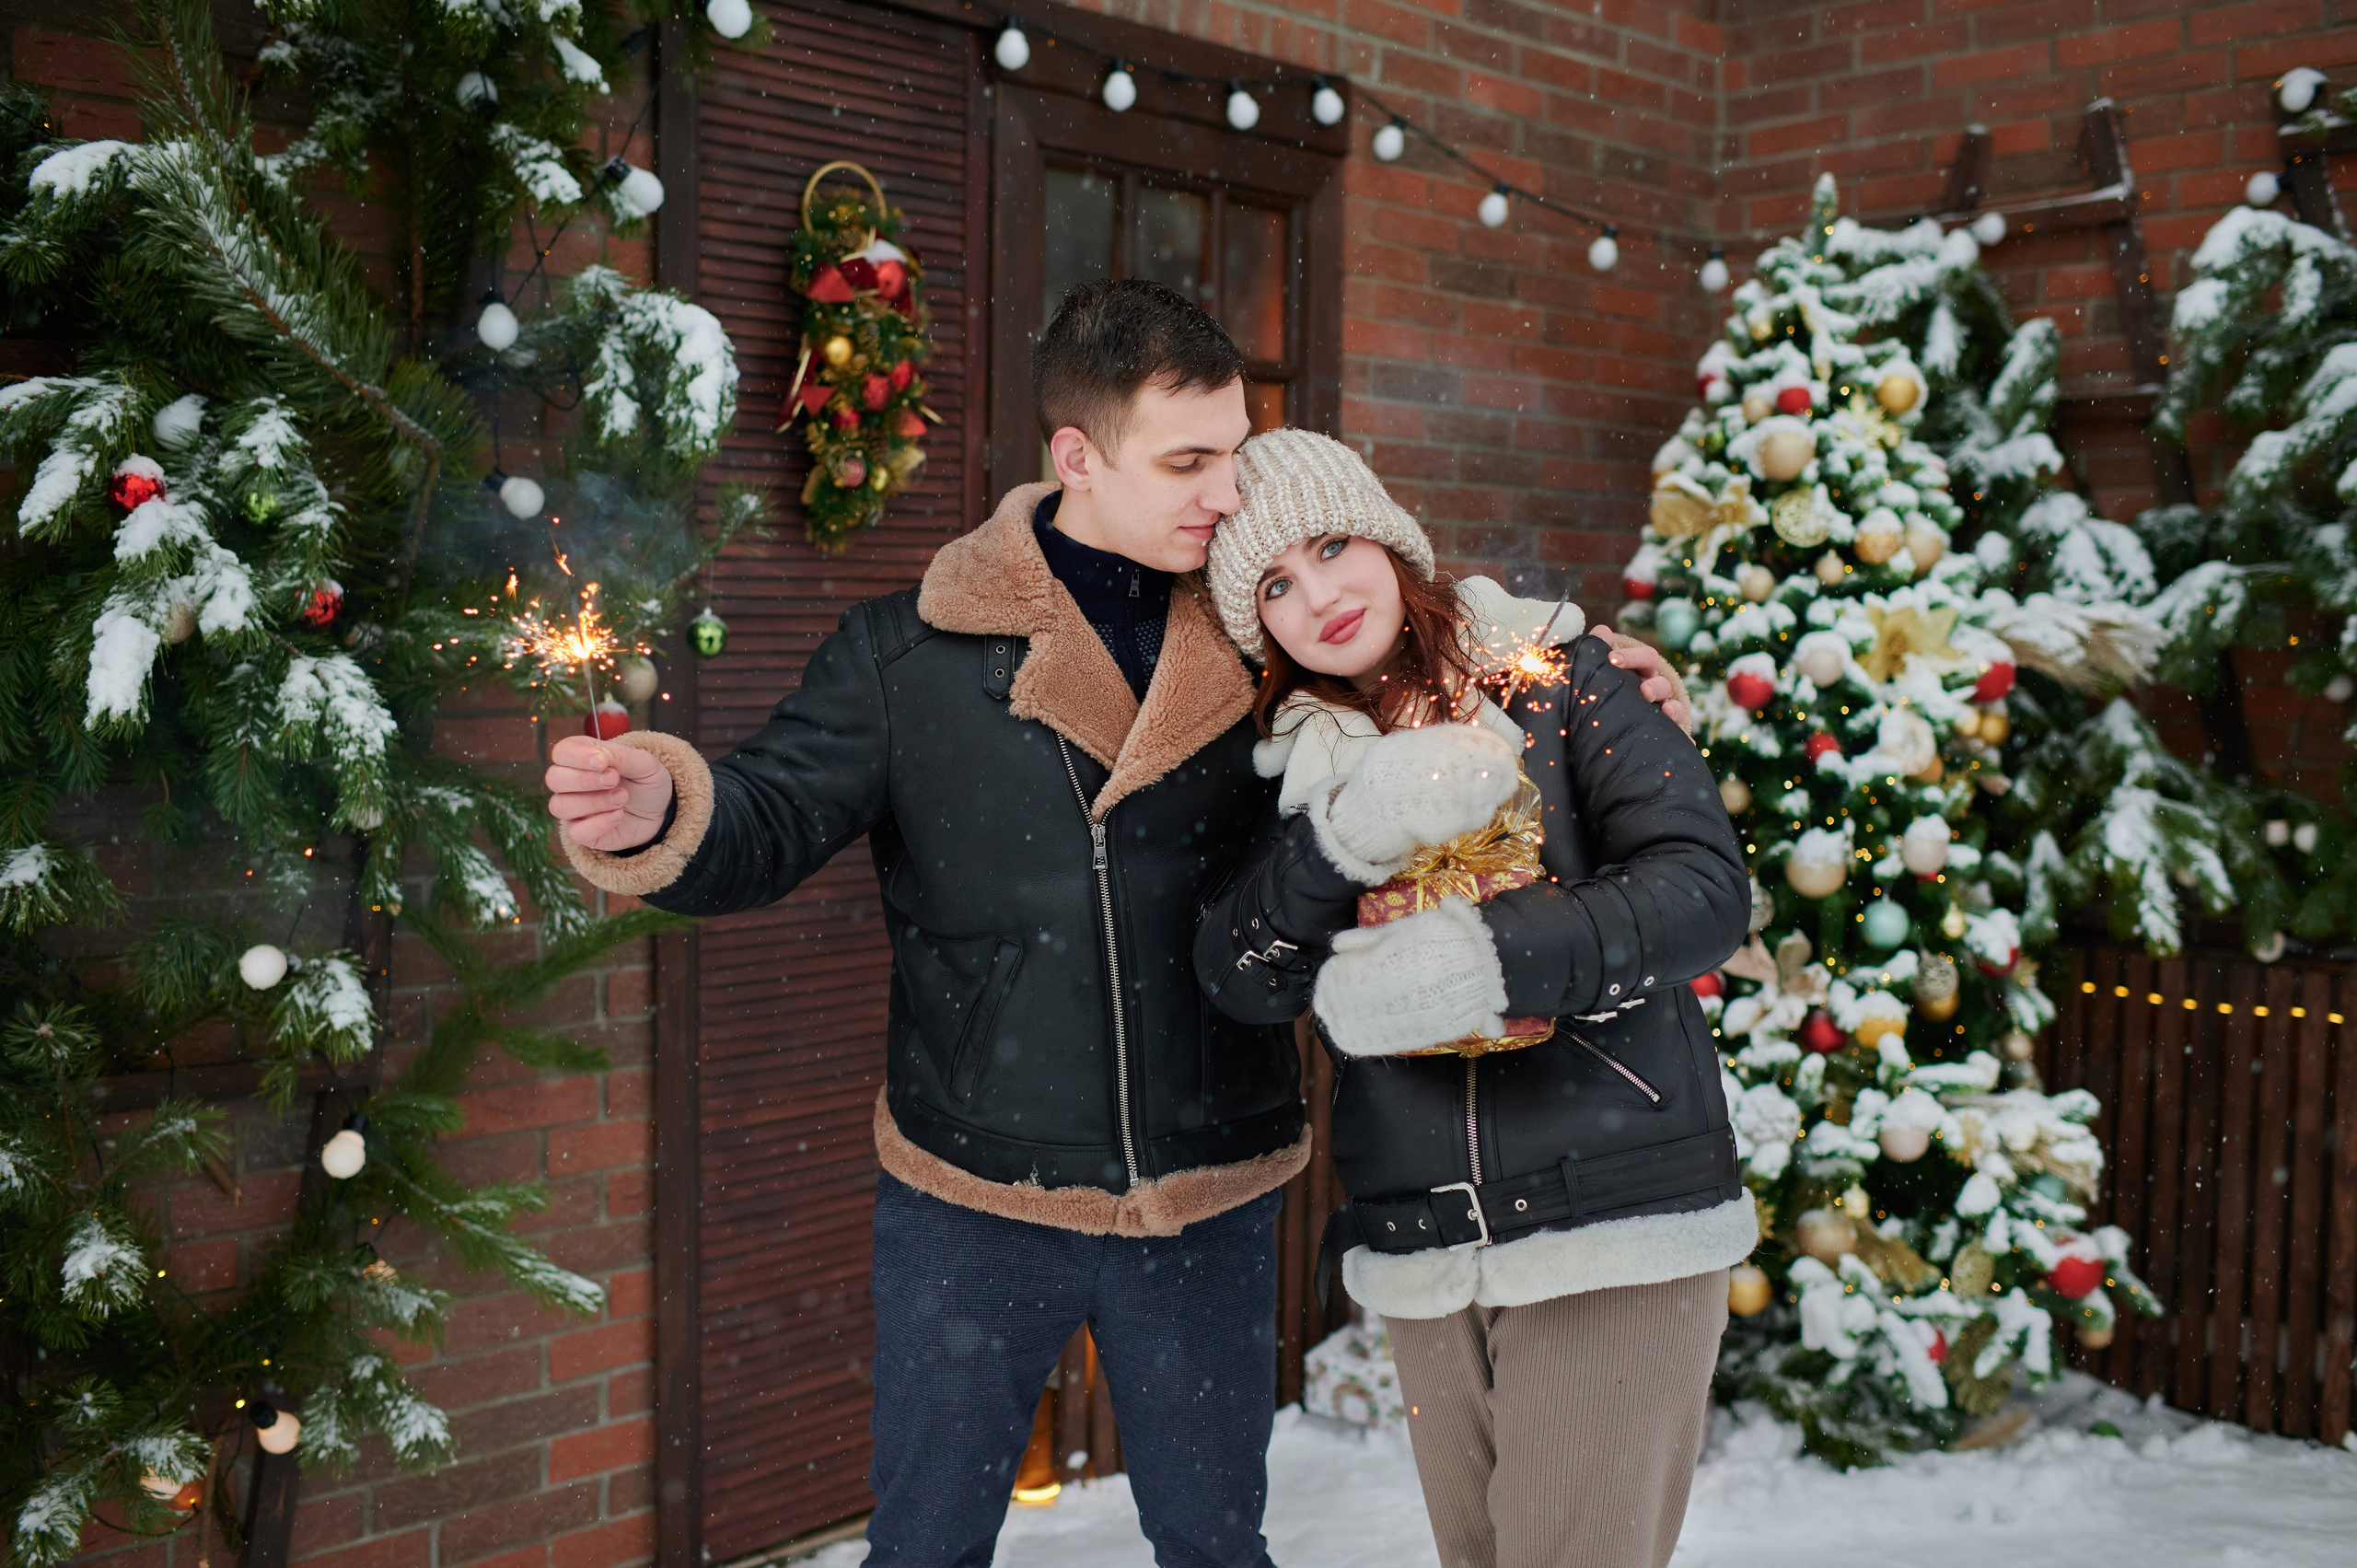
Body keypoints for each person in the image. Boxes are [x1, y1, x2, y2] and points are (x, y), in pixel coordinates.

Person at [542, 280, 1689, 1568]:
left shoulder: (1270, 636)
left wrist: (1599, 683)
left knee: (1215, 1543)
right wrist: (657, 806)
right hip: (970, 1190)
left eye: (1235, 454)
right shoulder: (909, 653)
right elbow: (764, 815)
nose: (1225, 492)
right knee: (923, 1545)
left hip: (1212, 1183)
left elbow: (1442, 677)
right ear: (1077, 457)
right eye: (1188, 460)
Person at [1196, 428, 1755, 1568]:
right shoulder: (1294, 770)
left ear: (1389, 537)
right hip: (1425, 1239)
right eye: (1272, 583)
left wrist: (1491, 954)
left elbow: (1702, 891)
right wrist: (1344, 837)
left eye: (1333, 543)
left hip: (1614, 1213)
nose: (1319, 594)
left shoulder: (1559, 676)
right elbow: (1240, 972)